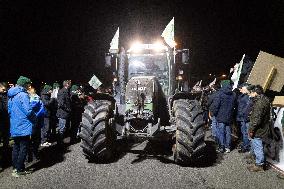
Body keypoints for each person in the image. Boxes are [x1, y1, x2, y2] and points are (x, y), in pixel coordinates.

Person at [8, 76, 36, 177]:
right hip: (24, 125)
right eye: (28, 84)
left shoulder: (11, 95)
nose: (29, 86)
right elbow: (28, 111)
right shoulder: (23, 95)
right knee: (24, 147)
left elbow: (9, 110)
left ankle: (15, 168)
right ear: (24, 84)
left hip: (15, 124)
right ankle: (19, 170)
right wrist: (34, 118)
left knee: (16, 147)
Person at [247, 85, 271, 172]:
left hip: (259, 129)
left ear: (256, 93)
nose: (250, 94)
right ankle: (258, 160)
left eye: (252, 92)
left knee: (258, 146)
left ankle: (259, 165)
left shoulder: (260, 103)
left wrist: (251, 130)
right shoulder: (265, 99)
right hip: (263, 127)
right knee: (259, 145)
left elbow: (256, 119)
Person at [212, 80, 236, 153]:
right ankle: (227, 147)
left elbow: (216, 105)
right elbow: (234, 105)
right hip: (229, 116)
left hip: (220, 116)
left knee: (220, 132)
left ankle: (221, 147)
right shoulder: (233, 94)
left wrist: (214, 113)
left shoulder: (220, 94)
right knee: (228, 132)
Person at [27, 87, 45, 162]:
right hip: (38, 121)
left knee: (30, 139)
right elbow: (42, 111)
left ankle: (30, 156)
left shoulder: (32, 99)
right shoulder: (38, 98)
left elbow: (30, 108)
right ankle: (35, 154)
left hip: (32, 121)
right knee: (36, 139)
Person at [236, 83, 251, 153]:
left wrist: (242, 114)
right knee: (244, 132)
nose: (240, 90)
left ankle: (246, 146)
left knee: (246, 133)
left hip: (245, 118)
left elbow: (247, 108)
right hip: (242, 118)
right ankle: (246, 144)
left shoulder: (248, 97)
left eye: (241, 88)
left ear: (246, 88)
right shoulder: (243, 96)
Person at [56, 80, 71, 146]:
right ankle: (59, 143)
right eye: (69, 84)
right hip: (63, 113)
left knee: (63, 128)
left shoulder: (66, 91)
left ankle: (60, 142)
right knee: (61, 128)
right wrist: (67, 109)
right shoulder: (62, 91)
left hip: (65, 113)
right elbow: (61, 103)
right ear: (67, 84)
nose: (70, 85)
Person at [0, 82, 9, 171]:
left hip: (6, 122)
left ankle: (5, 160)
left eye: (5, 88)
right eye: (3, 89)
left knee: (6, 142)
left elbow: (7, 108)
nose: (5, 90)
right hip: (2, 122)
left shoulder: (7, 96)